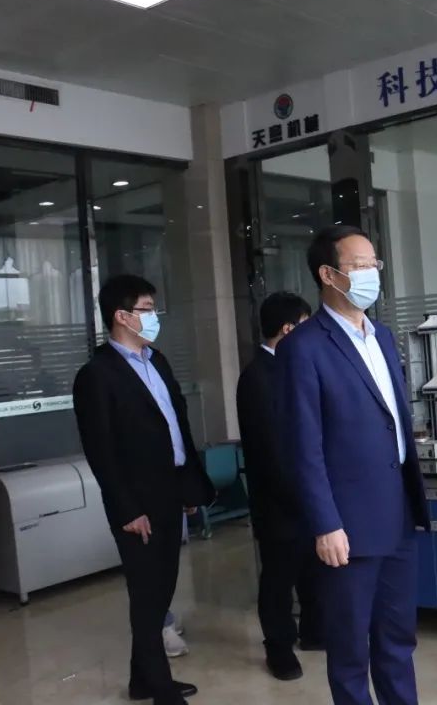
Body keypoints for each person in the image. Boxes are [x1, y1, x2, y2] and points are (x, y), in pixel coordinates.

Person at [278, 226, 429, 705]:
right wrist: (325, 524)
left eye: (373, 265)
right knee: (349, 647)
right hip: (346, 523)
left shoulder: (382, 335)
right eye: (359, 266)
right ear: (328, 274)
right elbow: (303, 445)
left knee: (398, 638)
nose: (371, 274)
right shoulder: (303, 346)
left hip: (397, 511)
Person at [73, 275, 214, 705]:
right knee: (147, 593)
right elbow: (101, 452)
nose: (155, 317)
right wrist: (127, 509)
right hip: (137, 502)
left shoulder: (158, 362)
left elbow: (178, 428)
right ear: (122, 316)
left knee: (163, 586)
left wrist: (189, 489)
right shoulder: (97, 376)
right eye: (147, 309)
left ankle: (141, 680)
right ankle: (160, 687)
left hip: (171, 489)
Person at [236, 291, 323, 681]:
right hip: (278, 500)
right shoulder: (258, 377)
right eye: (305, 325)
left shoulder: (294, 368)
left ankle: (315, 632)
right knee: (278, 578)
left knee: (313, 569)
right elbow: (271, 449)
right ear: (288, 330)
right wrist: (302, 492)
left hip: (307, 493)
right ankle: (279, 648)